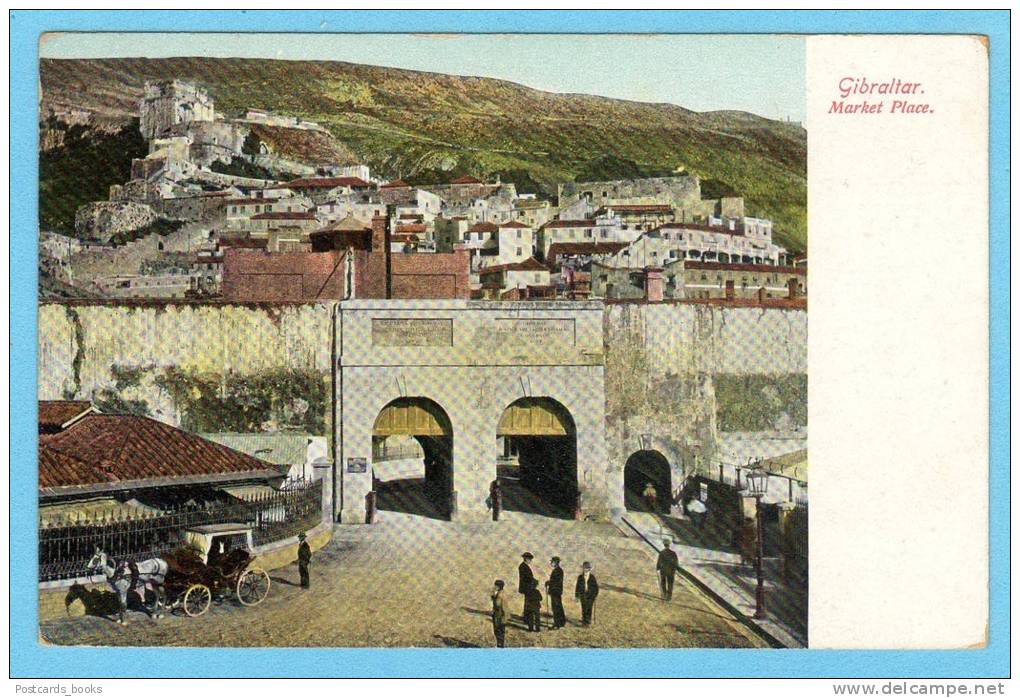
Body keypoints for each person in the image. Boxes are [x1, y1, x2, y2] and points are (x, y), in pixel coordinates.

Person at [574, 561, 599, 626]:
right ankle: (584, 620)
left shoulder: (592, 577)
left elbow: (596, 588)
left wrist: (594, 595)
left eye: (587, 568)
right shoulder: (580, 577)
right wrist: (576, 596)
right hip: (583, 595)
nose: (585, 569)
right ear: (583, 568)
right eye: (584, 568)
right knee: (584, 607)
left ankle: (588, 621)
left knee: (589, 608)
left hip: (590, 596)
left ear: (589, 569)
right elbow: (577, 587)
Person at [545, 556, 566, 629]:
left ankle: (557, 623)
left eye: (552, 562)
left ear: (556, 562)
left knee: (556, 607)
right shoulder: (557, 570)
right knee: (558, 606)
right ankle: (561, 622)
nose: (551, 563)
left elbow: (556, 581)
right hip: (556, 591)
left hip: (555, 591)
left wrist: (549, 582)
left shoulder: (558, 570)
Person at [490, 579, 507, 647]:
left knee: (498, 630)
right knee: (501, 630)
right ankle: (500, 644)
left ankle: (500, 645)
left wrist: (494, 597)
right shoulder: (502, 593)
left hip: (498, 614)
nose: (494, 587)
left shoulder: (499, 595)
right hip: (502, 614)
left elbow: (497, 604)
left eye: (495, 585)